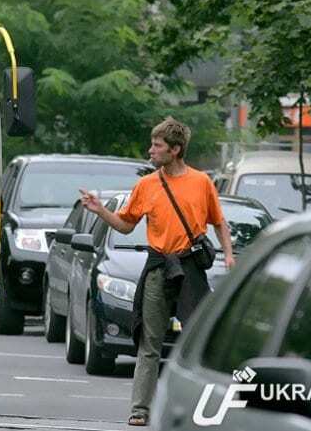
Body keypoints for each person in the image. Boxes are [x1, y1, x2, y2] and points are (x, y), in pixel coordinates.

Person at [79, 117, 235, 426]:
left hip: (190, 268)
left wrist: (229, 256)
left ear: (176, 150)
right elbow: (125, 225)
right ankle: (140, 409)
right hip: (158, 268)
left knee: (197, 342)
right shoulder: (147, 185)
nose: (151, 150)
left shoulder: (201, 182)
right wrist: (101, 211)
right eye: (153, 144)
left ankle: (198, 410)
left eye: (158, 145)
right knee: (148, 344)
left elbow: (218, 222)